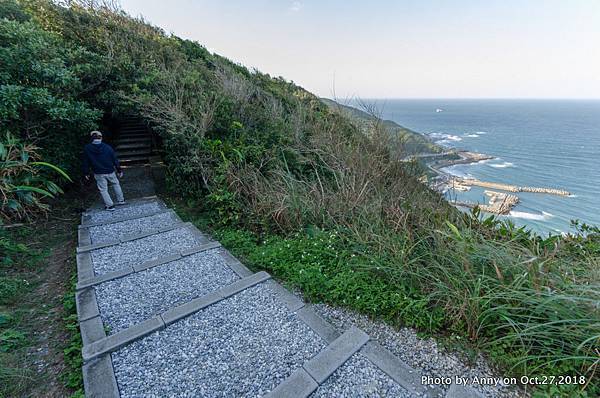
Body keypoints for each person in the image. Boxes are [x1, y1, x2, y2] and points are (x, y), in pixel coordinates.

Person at [82, 131, 125, 211]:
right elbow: (114, 159)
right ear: (101, 137)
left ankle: (110, 206)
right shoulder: (107, 147)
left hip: (98, 172)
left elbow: (86, 161)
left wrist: (86, 172)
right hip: (110, 170)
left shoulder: (87, 148)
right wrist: (119, 170)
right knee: (116, 184)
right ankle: (121, 200)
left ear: (91, 138)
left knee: (103, 189)